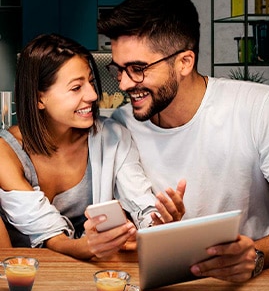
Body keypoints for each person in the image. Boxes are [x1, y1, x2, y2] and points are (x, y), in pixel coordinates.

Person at [95, 0, 269, 282]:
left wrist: (256, 255)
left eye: (137, 69)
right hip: (165, 290)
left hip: (253, 287)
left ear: (184, 62)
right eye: (118, 69)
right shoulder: (121, 126)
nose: (123, 84)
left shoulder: (260, 107)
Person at [0, 33, 185, 260]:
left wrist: (158, 223)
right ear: (40, 99)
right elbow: (52, 236)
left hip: (94, 274)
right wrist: (88, 247)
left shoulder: (111, 136)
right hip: (29, 279)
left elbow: (140, 200)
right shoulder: (6, 152)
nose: (93, 95)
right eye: (76, 87)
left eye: (90, 82)